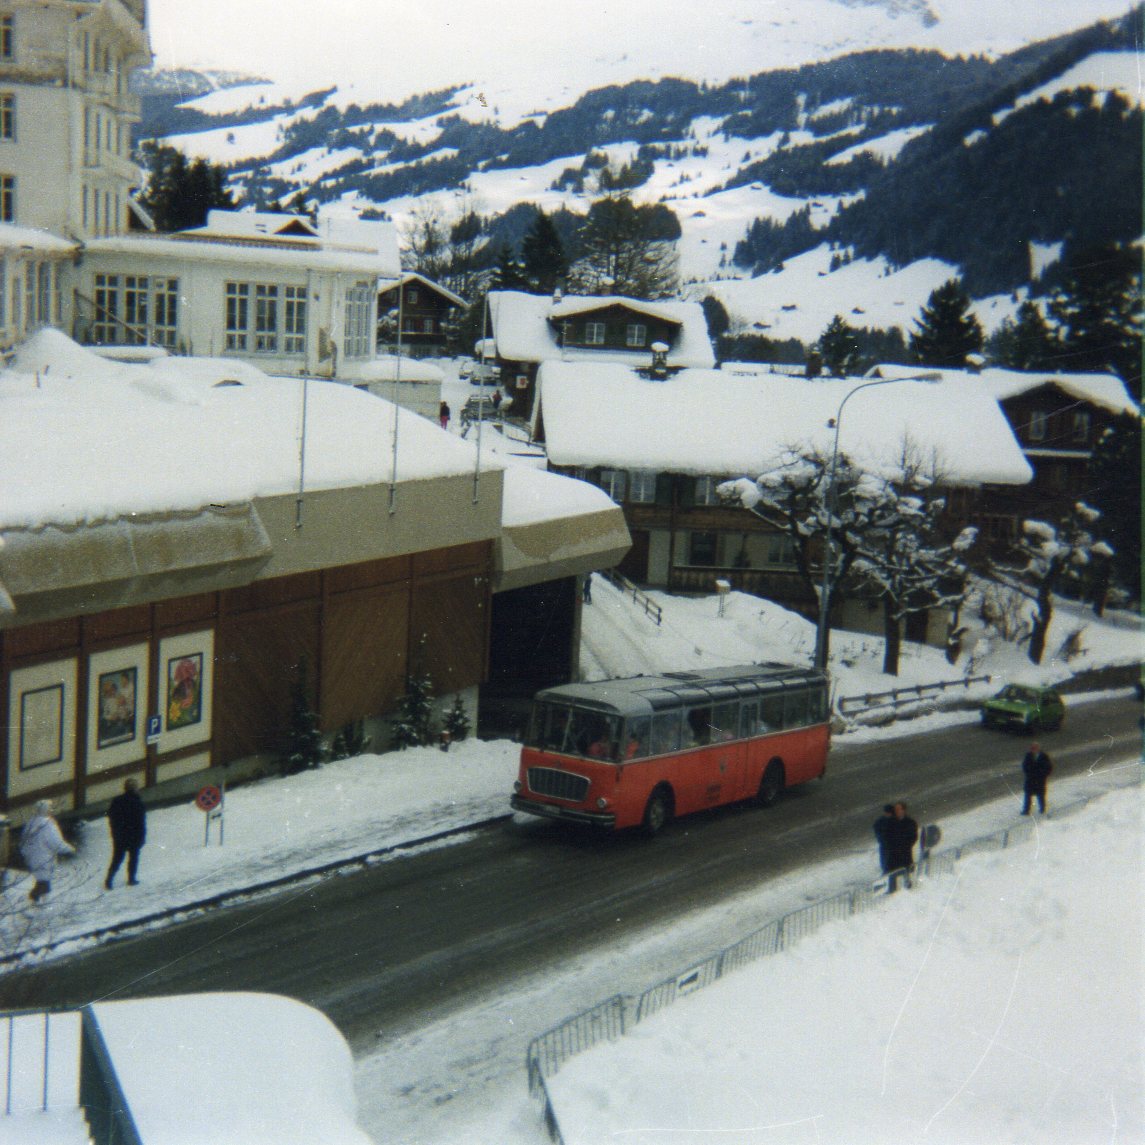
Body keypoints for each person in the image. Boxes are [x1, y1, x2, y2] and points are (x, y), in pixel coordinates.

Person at [19, 800, 76, 903]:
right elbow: (56, 842)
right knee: (44, 885)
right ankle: (34, 902)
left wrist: (26, 856)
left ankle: (39, 904)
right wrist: (69, 849)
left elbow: (23, 844)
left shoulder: (30, 824)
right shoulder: (48, 825)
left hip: (32, 858)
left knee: (41, 882)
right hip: (45, 858)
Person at [105, 777, 147, 889]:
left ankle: (109, 880)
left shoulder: (117, 801)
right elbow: (141, 822)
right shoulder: (138, 802)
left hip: (120, 835)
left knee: (117, 858)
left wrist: (115, 832)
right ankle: (131, 879)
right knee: (133, 858)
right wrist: (142, 836)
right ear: (135, 789)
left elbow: (111, 817)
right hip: (134, 835)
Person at [885, 801, 919, 890]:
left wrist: (904, 845)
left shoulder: (910, 822)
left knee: (906, 873)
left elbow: (913, 837)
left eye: (898, 809)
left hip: (905, 854)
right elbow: (886, 837)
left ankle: (908, 889)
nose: (896, 811)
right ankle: (893, 890)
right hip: (893, 855)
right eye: (895, 809)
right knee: (893, 875)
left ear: (903, 810)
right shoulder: (890, 823)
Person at [1021, 742, 1052, 814]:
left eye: (1035, 748)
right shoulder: (1028, 756)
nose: (1033, 750)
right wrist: (1028, 773)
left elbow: (1048, 767)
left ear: (1038, 748)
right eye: (1032, 748)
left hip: (1040, 779)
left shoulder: (1044, 756)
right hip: (1030, 779)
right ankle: (1026, 810)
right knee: (1028, 795)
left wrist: (1043, 775)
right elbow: (1025, 766)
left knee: (1040, 795)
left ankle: (1042, 808)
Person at [872, 804, 895, 874]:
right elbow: (876, 830)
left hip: (892, 844)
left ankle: (888, 872)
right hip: (885, 844)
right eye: (886, 812)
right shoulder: (880, 821)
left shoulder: (895, 820)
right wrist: (880, 839)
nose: (887, 814)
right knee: (885, 860)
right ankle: (886, 872)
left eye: (889, 812)